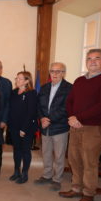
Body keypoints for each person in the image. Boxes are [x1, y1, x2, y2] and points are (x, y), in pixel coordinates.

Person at [59, 48, 101, 201]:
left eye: (96, 58)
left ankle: (89, 193)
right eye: (89, 58)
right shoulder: (79, 81)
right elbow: (69, 101)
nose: (93, 61)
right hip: (75, 126)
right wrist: (71, 117)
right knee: (74, 158)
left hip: (93, 128)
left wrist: (79, 118)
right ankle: (76, 188)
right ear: (86, 62)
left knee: (89, 161)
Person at [35, 62, 72, 191]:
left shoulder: (69, 88)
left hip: (60, 127)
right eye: (52, 71)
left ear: (63, 73)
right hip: (45, 126)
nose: (55, 74)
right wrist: (42, 118)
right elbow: (38, 105)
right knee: (45, 153)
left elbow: (66, 108)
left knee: (59, 154)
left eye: (58, 71)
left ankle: (57, 179)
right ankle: (47, 175)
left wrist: (49, 119)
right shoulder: (44, 88)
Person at [8, 71, 38, 184]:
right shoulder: (14, 92)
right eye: (17, 78)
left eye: (20, 78)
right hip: (14, 127)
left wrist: (24, 129)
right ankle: (16, 172)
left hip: (26, 128)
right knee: (16, 150)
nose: (17, 80)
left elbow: (31, 113)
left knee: (25, 150)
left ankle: (25, 174)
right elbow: (11, 110)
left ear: (27, 81)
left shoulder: (31, 93)